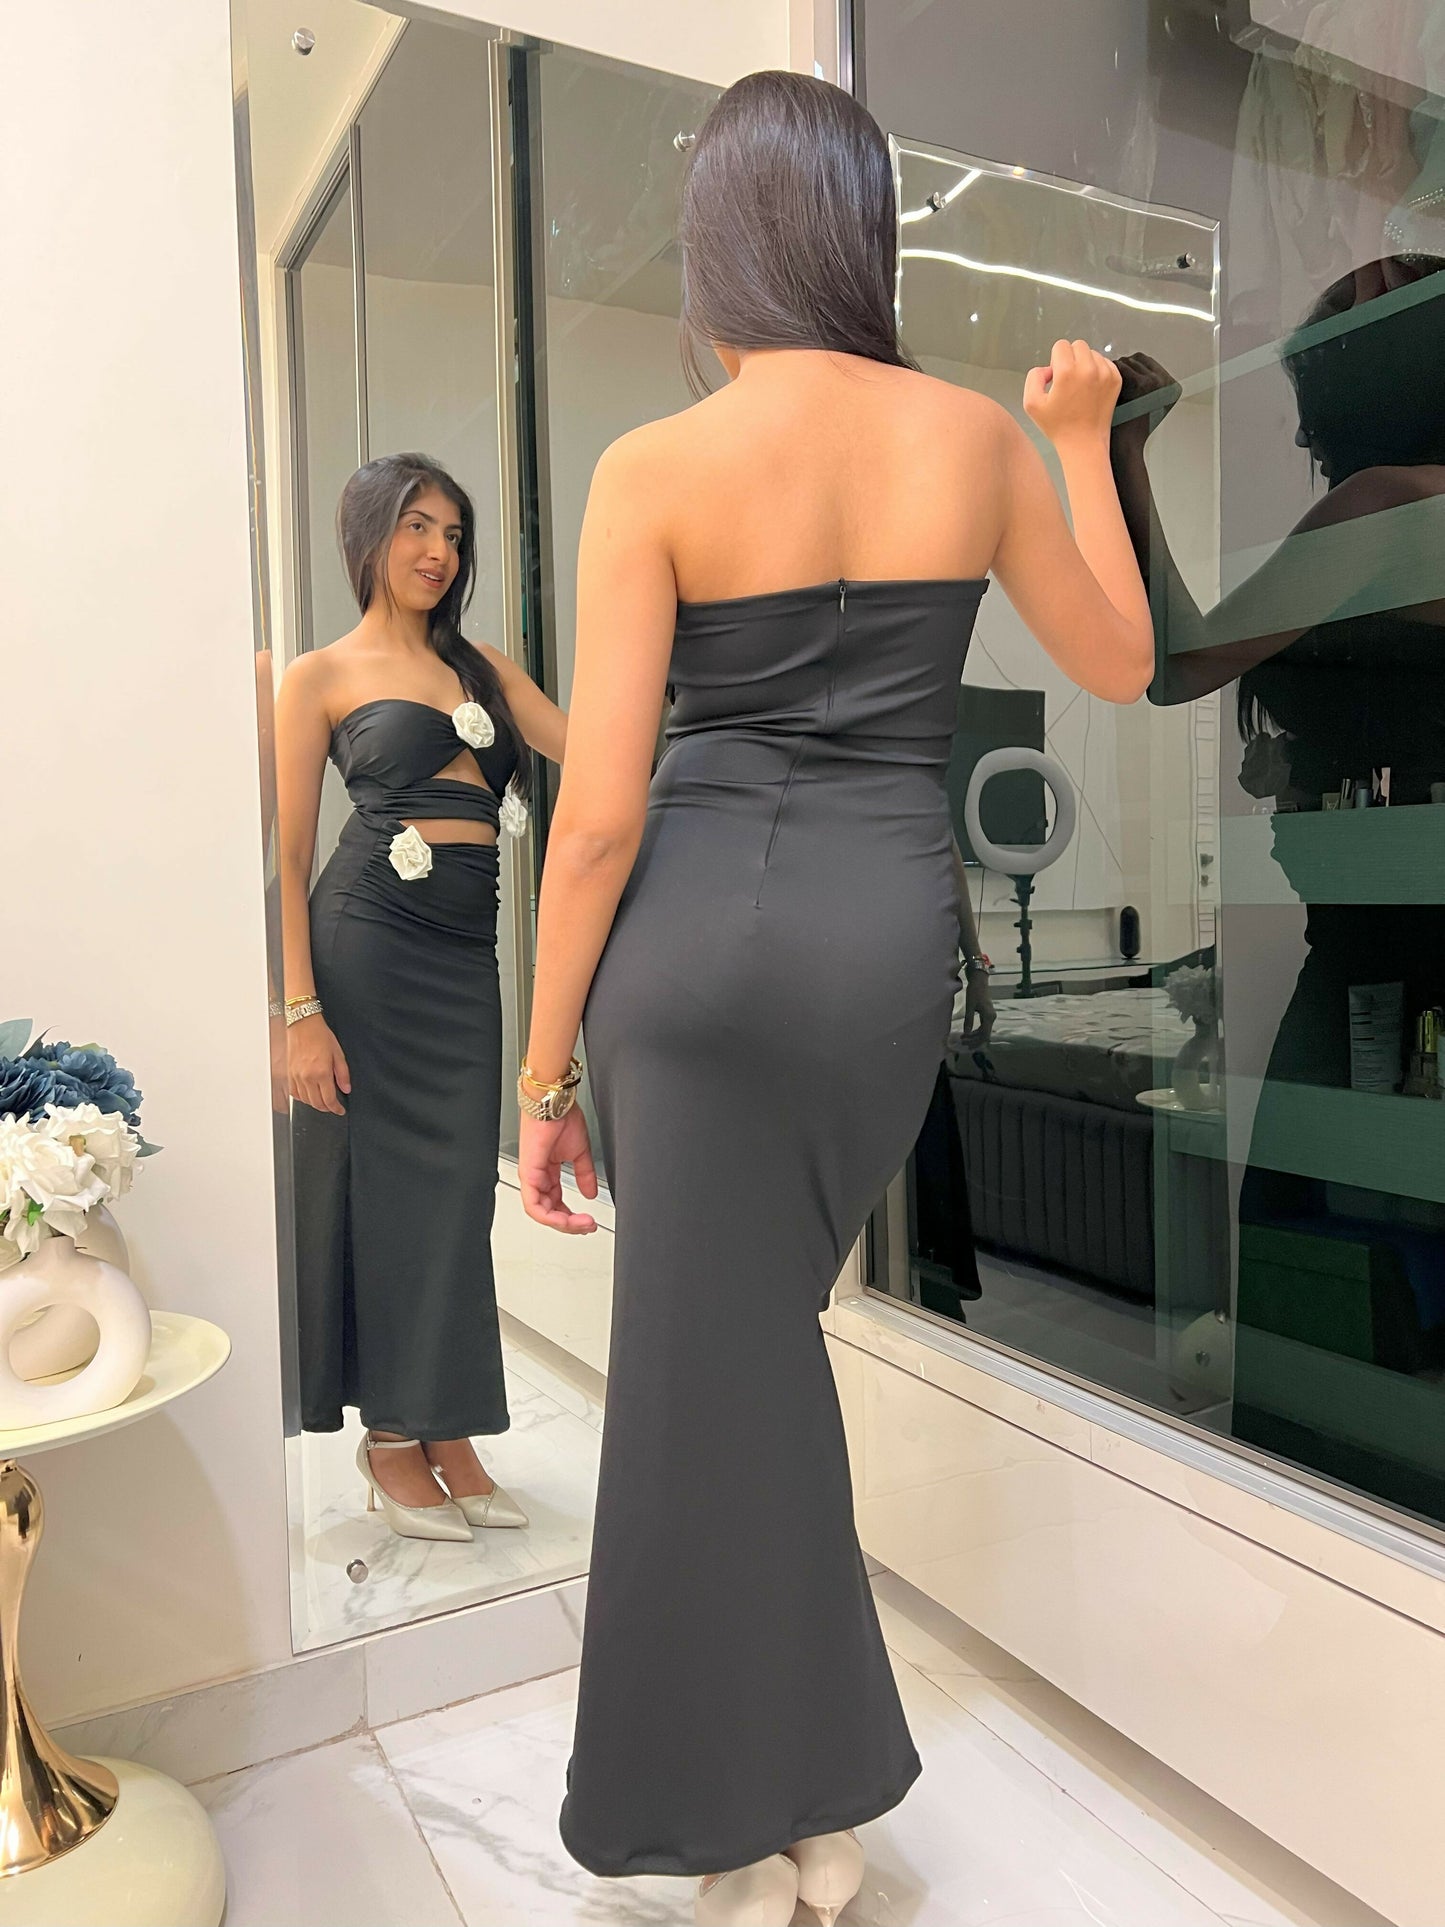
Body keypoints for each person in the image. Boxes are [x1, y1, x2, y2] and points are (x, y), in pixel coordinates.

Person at [516, 73, 1152, 1927]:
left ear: (720, 242)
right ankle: (812, 1794)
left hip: (697, 948)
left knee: (698, 1372)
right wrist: (1085, 439)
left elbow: (598, 819)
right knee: (755, 1351)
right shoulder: (974, 439)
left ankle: (737, 1810)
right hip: (885, 948)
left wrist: (541, 1073)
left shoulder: (656, 465)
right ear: (859, 235)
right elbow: (1121, 660)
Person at [275, 453, 566, 1542]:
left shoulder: (484, 668)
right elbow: (286, 856)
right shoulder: (317, 675)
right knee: (384, 1192)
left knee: (453, 1196)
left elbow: (592, 751)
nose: (437, 551)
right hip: (365, 945)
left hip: (461, 956)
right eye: (415, 526)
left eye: (451, 532)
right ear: (368, 537)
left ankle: (445, 1423)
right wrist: (298, 1013)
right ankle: (393, 1437)